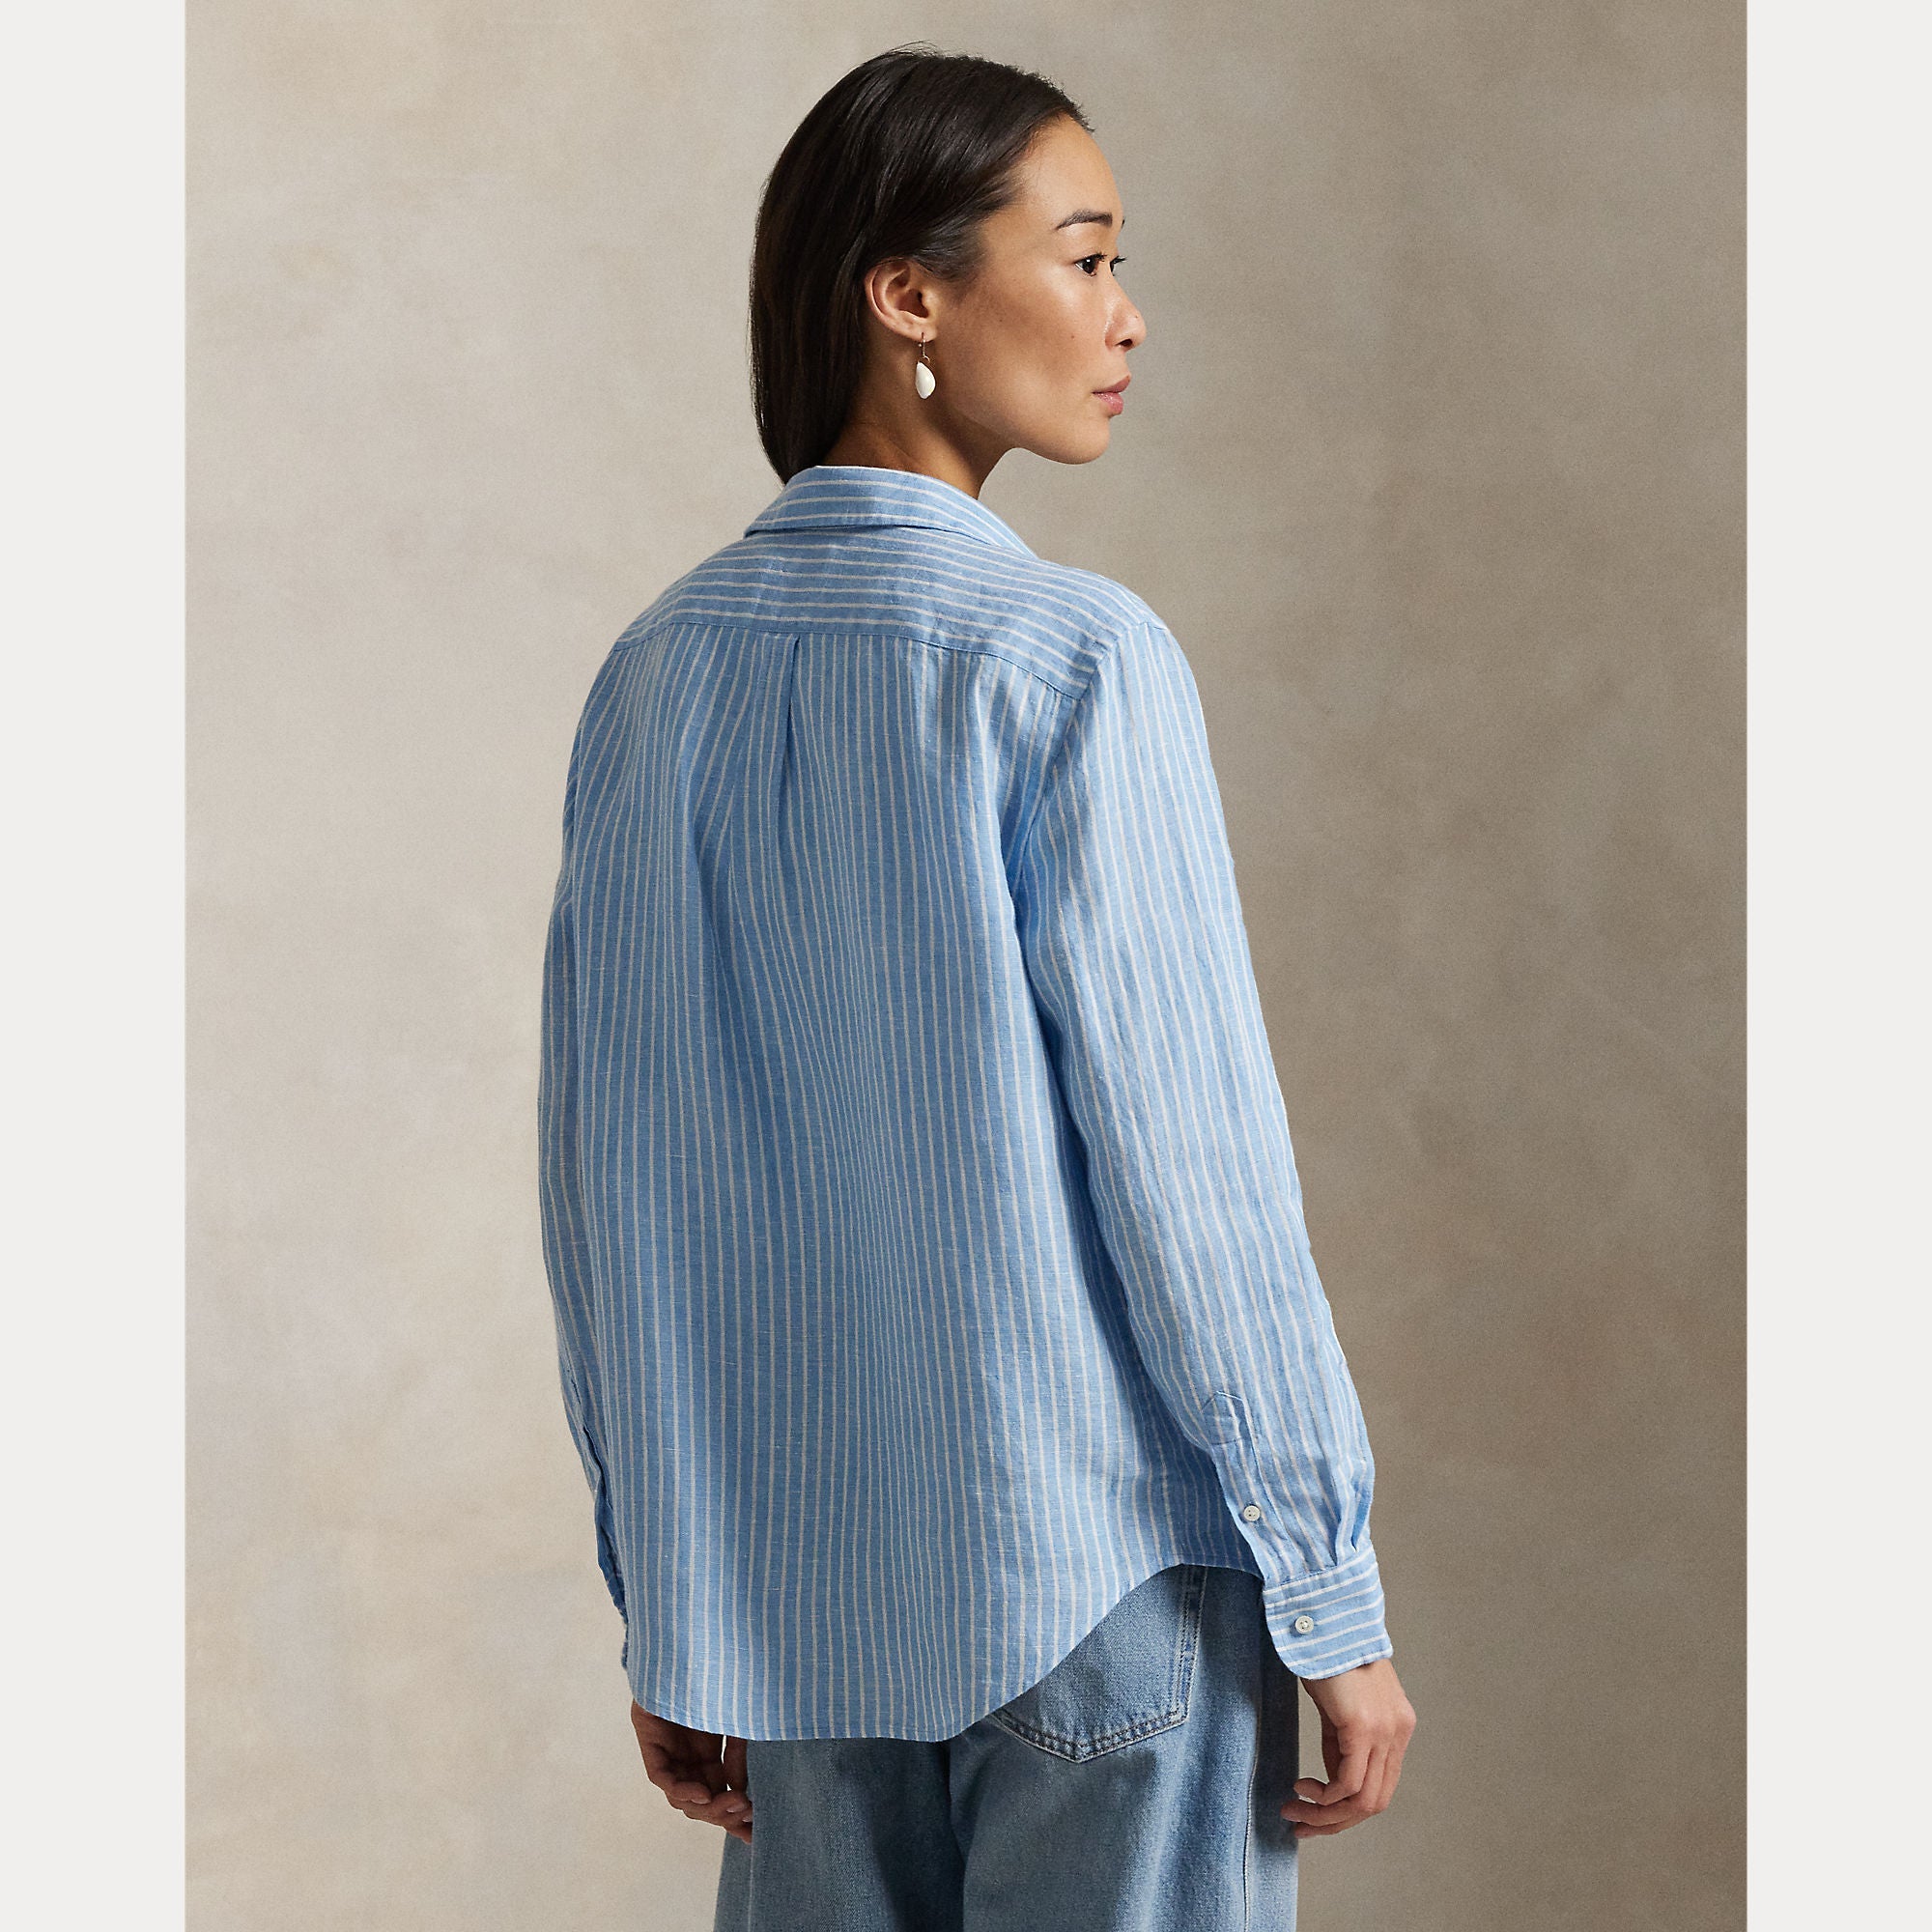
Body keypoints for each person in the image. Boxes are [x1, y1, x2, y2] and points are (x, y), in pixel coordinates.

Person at [537, 43, 1416, 1931]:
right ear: (908, 294)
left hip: (793, 1621)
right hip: (1100, 1588)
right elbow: (1193, 1174)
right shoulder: (1069, 659)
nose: (1127, 313)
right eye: (1083, 257)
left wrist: (669, 1599)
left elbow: (607, 1193)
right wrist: (1327, 1587)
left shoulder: (654, 677)